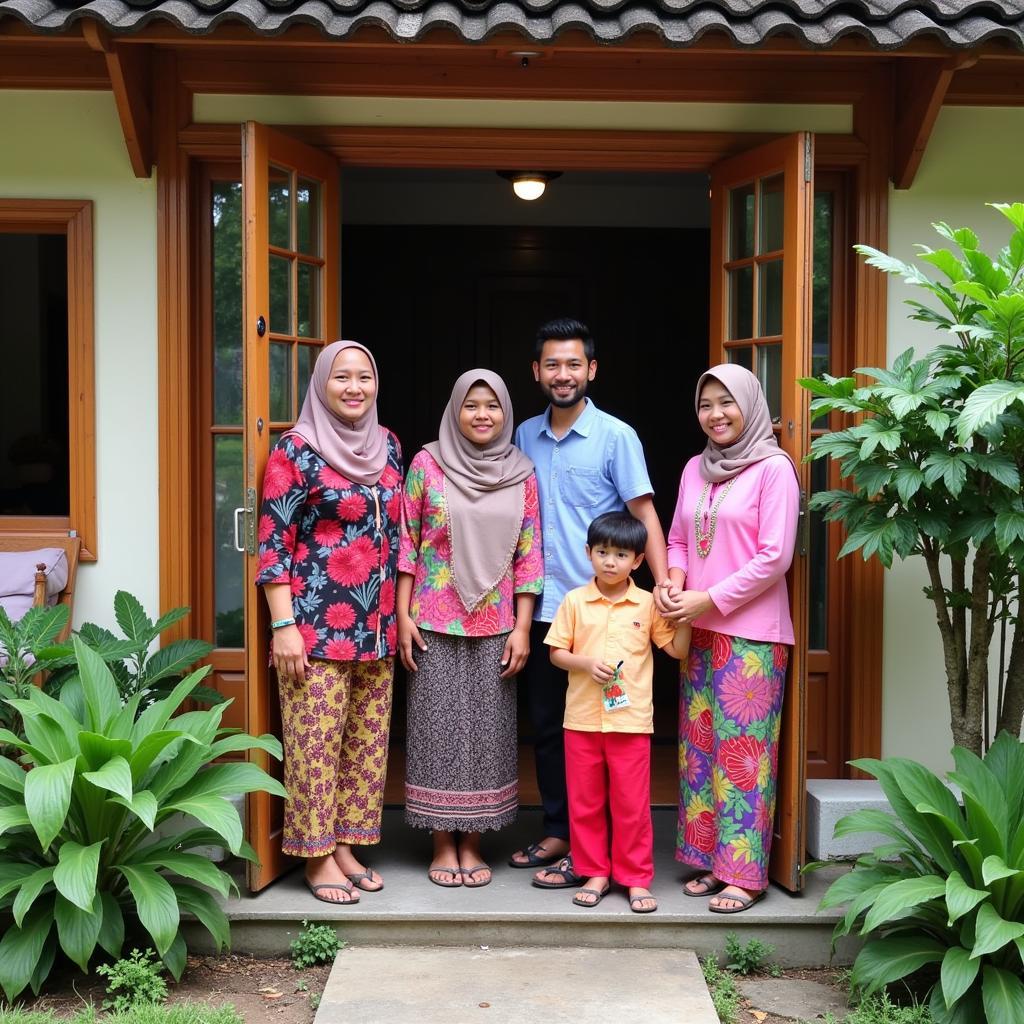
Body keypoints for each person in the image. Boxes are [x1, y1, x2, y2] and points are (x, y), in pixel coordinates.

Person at [510, 317, 670, 887]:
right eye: (552, 364)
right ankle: (561, 831)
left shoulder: (616, 436)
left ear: (591, 370)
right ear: (537, 372)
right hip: (545, 605)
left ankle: (604, 854)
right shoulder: (522, 436)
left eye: (573, 363)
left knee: (611, 732)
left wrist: (665, 579)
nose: (563, 374)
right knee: (552, 726)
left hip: (603, 606)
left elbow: (643, 512)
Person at [255, 340, 404, 906]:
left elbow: (397, 534)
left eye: (364, 377)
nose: (353, 388)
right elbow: (273, 544)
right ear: (321, 384)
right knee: (314, 744)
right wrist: (282, 624)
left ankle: (345, 844)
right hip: (315, 626)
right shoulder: (294, 451)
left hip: (377, 624)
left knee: (364, 743)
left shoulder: (388, 446)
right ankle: (316, 857)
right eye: (341, 377)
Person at [397, 369, 543, 889]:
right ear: (455, 410)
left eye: (493, 406)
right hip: (432, 620)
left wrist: (523, 628)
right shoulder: (427, 463)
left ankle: (474, 840)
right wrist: (401, 614)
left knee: (486, 736)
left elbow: (530, 555)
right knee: (435, 731)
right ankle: (441, 841)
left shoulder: (522, 474)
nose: (482, 415)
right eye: (471, 405)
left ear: (506, 413)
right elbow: (407, 544)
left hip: (497, 625)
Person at [662, 364, 799, 914]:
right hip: (697, 632)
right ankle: (709, 862)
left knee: (744, 757)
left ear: (750, 405)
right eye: (706, 404)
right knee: (700, 754)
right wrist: (674, 582)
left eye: (727, 403)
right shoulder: (696, 469)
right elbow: (676, 538)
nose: (716, 415)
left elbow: (775, 557)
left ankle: (744, 874)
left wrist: (706, 597)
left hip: (752, 637)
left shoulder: (774, 470)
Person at [544, 511, 691, 913]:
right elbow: (557, 653)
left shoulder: (648, 604)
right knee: (586, 802)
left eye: (621, 554)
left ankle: (636, 878)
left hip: (631, 722)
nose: (610, 561)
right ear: (588, 553)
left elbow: (675, 651)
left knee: (631, 805)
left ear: (638, 561)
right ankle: (595, 871)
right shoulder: (574, 601)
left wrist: (686, 615)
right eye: (603, 552)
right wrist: (585, 663)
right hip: (582, 720)